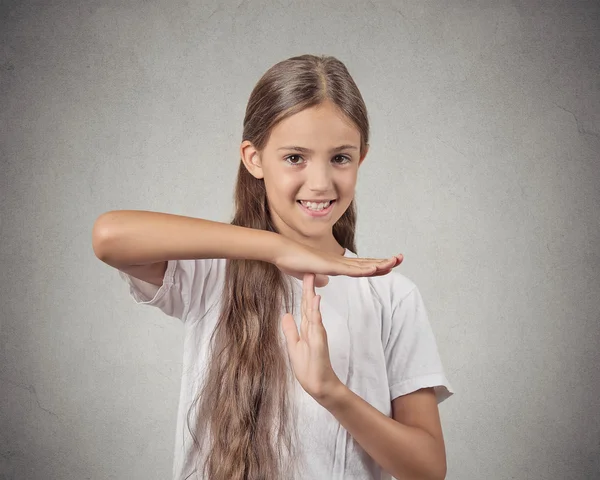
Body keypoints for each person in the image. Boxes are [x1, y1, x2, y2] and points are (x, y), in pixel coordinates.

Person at [92, 54, 453, 480]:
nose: (319, 183)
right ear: (254, 158)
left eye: (340, 158)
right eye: (295, 158)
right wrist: (277, 249)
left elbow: (428, 468)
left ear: (362, 158)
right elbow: (110, 236)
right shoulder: (213, 272)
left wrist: (332, 392)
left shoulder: (391, 295)